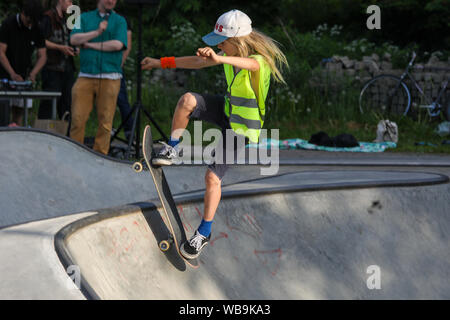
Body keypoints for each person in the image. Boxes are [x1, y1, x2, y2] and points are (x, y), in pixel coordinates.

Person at [141, 9, 288, 259]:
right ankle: (172, 147)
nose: (220, 46)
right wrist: (160, 62)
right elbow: (198, 62)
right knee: (187, 100)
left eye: (223, 43)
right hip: (227, 110)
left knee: (212, 178)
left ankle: (204, 233)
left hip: (243, 128)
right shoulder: (226, 54)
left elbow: (250, 64)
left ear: (238, 41)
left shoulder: (258, 62)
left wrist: (220, 60)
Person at [69, 0, 127, 155]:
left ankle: (100, 155)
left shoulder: (119, 20)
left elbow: (117, 45)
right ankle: (74, 153)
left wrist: (88, 44)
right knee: (77, 118)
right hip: (86, 74)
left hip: (110, 76)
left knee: (106, 121)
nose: (111, 1)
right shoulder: (84, 17)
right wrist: (96, 33)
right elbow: (73, 39)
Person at [0, 0, 46, 127]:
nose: (30, 25)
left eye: (33, 23)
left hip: (24, 75)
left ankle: (17, 135)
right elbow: (1, 52)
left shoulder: (37, 27)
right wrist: (12, 73)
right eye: (28, 21)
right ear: (23, 14)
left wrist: (34, 73)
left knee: (19, 111)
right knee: (3, 112)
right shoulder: (8, 24)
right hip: (5, 74)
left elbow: (42, 55)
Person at [38, 0, 77, 124]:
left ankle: (66, 136)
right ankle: (43, 134)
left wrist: (75, 49)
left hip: (67, 68)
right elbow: (40, 41)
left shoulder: (68, 19)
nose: (71, 4)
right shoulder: (48, 18)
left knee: (67, 105)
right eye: (69, 1)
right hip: (52, 68)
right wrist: (60, 48)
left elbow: (72, 39)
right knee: (49, 105)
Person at [114, 12, 134, 141]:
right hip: (98, 66)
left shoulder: (123, 19)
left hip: (115, 66)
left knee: (122, 100)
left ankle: (130, 132)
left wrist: (120, 63)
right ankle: (105, 131)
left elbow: (127, 44)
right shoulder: (94, 18)